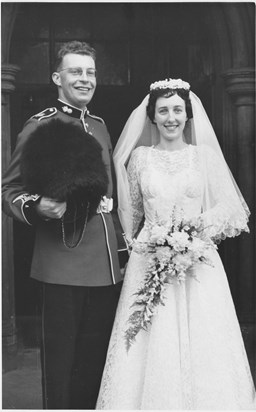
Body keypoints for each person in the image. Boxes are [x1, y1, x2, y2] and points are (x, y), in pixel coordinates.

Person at [96, 78, 256, 409]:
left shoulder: (204, 157)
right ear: (152, 116)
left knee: (204, 338)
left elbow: (234, 210)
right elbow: (132, 211)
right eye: (163, 111)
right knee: (149, 339)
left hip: (198, 261)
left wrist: (199, 225)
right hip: (149, 259)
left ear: (188, 115)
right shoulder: (140, 158)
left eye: (178, 110)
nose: (171, 118)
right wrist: (143, 245)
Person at [2, 41, 126, 409]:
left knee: (94, 361)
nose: (84, 79)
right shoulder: (40, 125)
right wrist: (38, 205)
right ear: (57, 77)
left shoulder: (101, 127)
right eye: (75, 71)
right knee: (61, 365)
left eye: (90, 72)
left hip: (104, 265)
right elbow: (9, 189)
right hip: (61, 261)